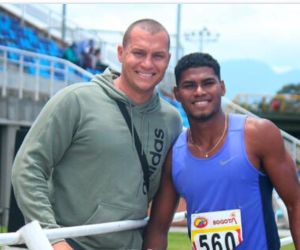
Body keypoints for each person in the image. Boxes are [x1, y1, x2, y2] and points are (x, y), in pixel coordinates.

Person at [11, 19, 182, 250]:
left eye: (158, 56)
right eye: (138, 53)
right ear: (121, 53)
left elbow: (164, 191)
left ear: (168, 60)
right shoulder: (76, 100)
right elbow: (27, 167)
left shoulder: (171, 120)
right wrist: (53, 238)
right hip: (70, 243)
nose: (147, 63)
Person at [143, 52, 300, 250]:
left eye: (208, 83)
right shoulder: (174, 155)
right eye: (189, 85)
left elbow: (296, 203)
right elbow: (157, 227)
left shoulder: (258, 134)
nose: (199, 91)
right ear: (177, 94)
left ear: (222, 87)